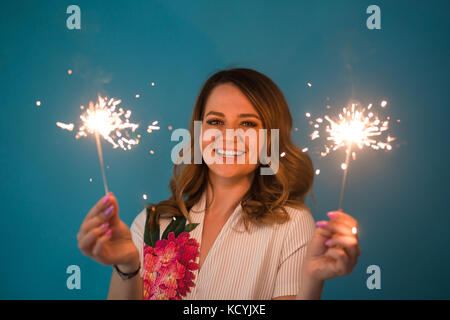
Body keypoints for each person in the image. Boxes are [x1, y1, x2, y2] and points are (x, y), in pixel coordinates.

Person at [77, 68, 361, 300]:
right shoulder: (152, 223)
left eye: (248, 124)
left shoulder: (292, 224)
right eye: (216, 121)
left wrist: (312, 281)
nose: (229, 136)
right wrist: (127, 266)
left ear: (270, 140)